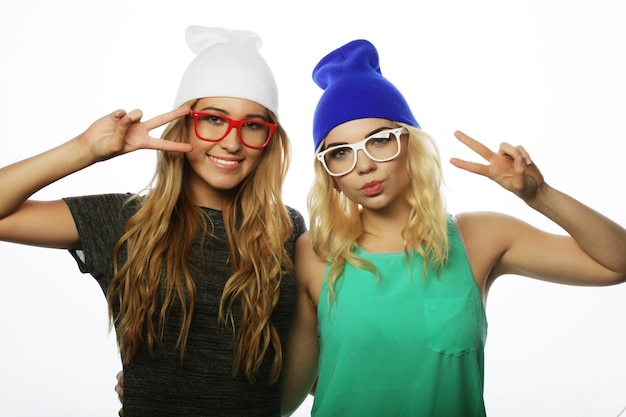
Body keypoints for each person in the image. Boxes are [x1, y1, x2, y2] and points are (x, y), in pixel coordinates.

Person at [281, 39, 626, 417]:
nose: (363, 165)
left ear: (412, 147)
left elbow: (617, 263)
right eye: (340, 152)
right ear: (330, 176)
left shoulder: (479, 238)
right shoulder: (316, 252)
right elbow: (295, 390)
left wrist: (539, 195)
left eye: (380, 141)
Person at [0, 25, 306, 417]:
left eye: (253, 125)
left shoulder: (287, 230)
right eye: (213, 119)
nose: (232, 141)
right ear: (183, 123)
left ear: (270, 139)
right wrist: (84, 150)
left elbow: (311, 349)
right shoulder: (124, 220)